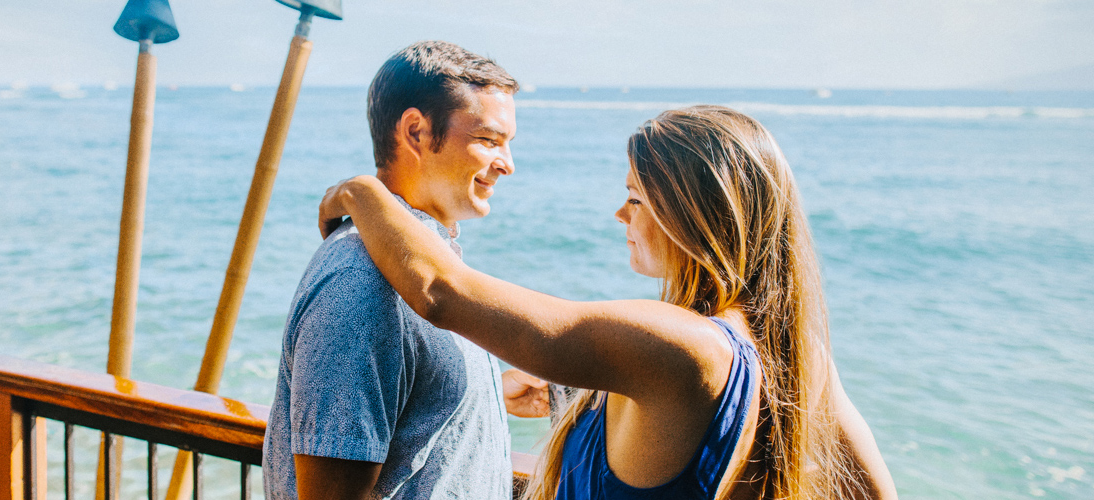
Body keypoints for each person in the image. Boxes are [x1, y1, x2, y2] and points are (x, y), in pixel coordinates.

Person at [318, 105, 899, 499]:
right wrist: (576, 400)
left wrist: (361, 192)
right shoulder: (793, 353)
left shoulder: (676, 343)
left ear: (691, 214)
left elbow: (441, 292)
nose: (621, 214)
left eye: (635, 197)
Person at [262, 41, 546, 500]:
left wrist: (484, 391)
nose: (507, 165)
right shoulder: (362, 282)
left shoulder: (424, 257)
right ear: (415, 131)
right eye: (488, 140)